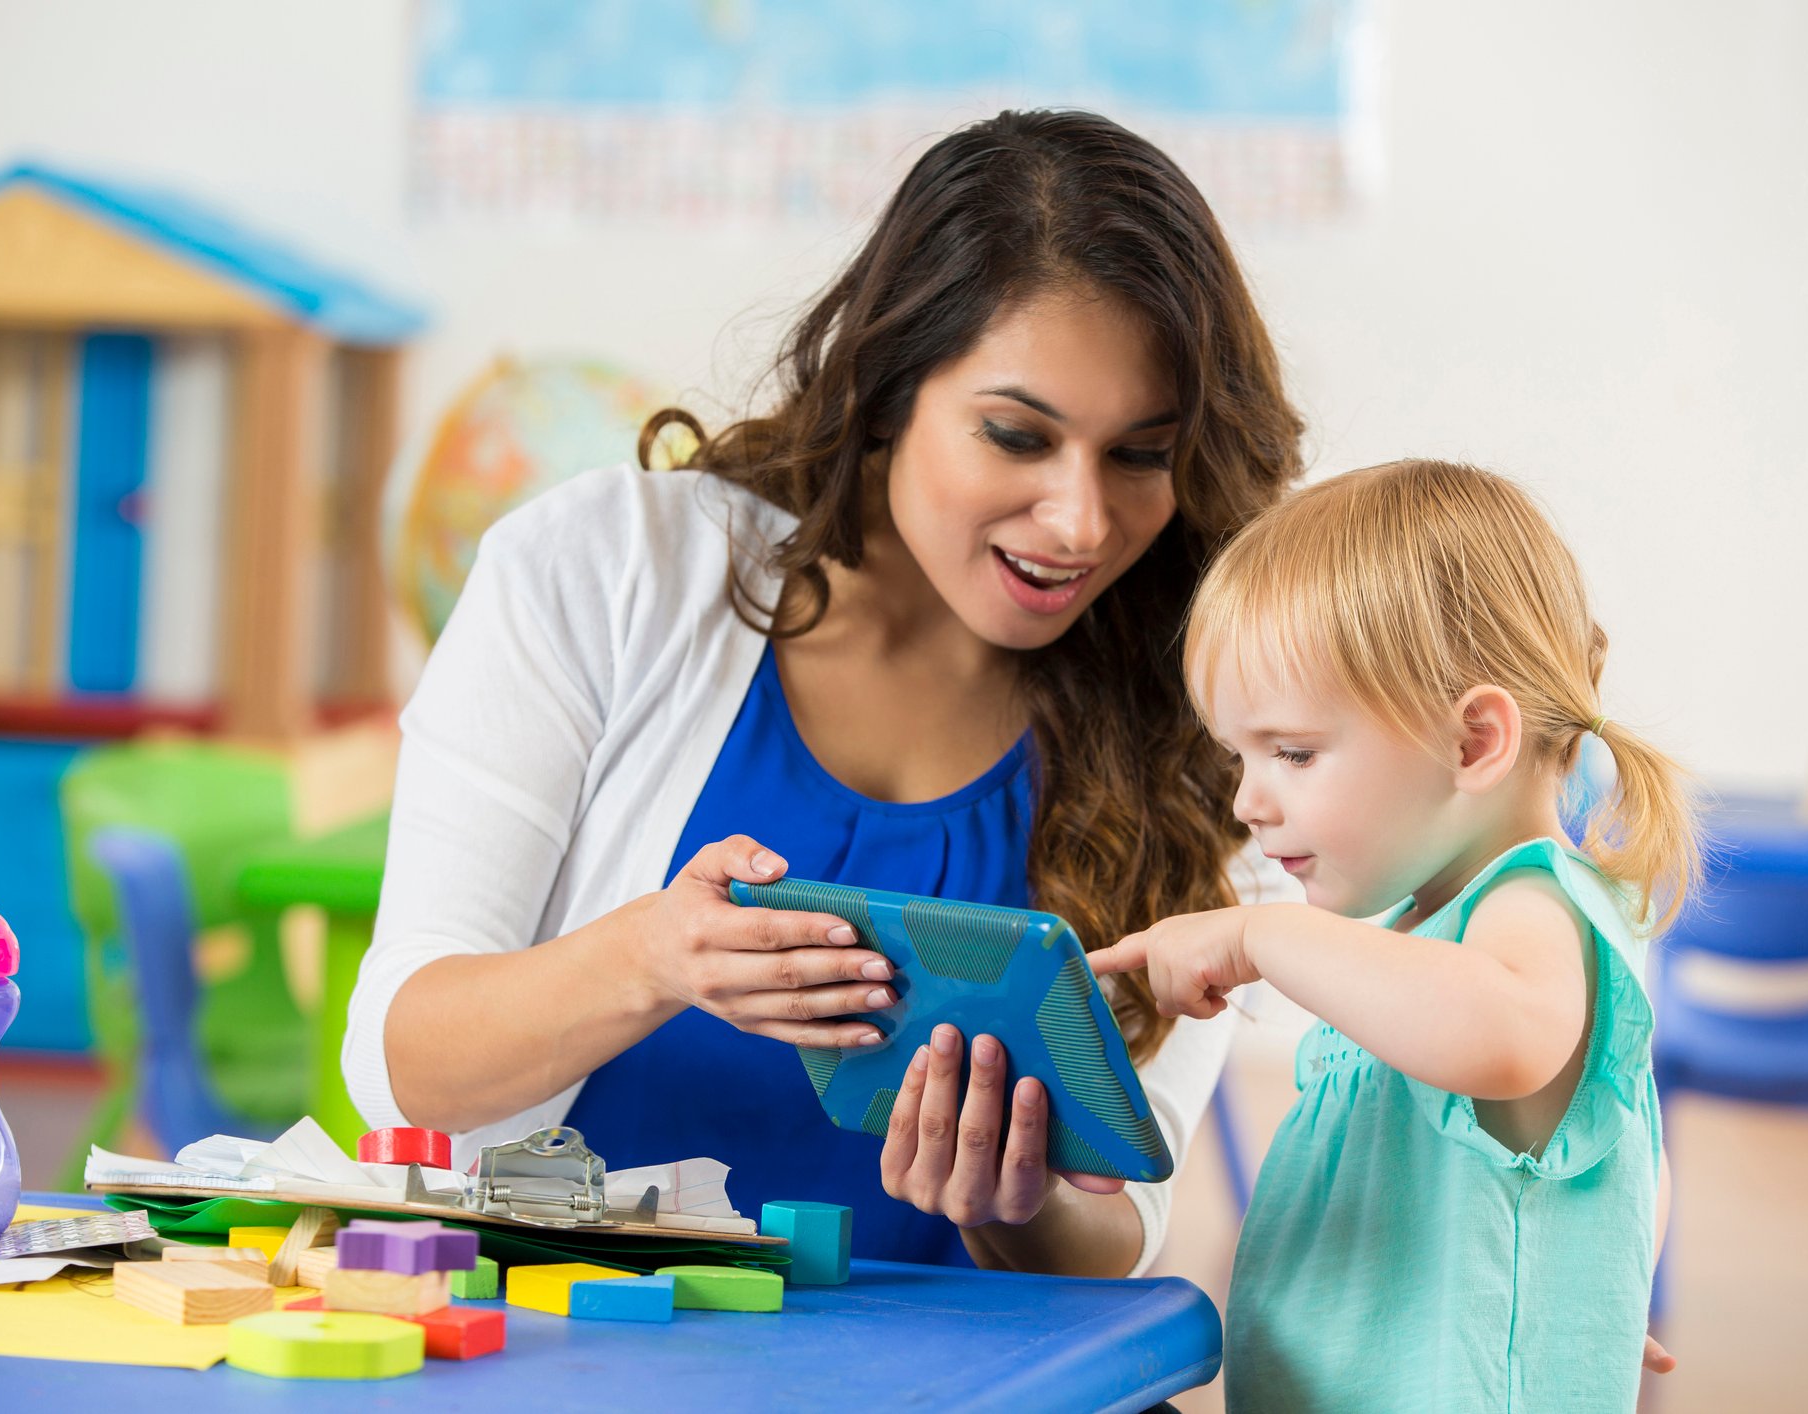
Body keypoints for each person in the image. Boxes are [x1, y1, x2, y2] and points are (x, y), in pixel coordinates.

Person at [344, 108, 1306, 1278]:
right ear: (892, 389)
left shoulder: (1212, 729)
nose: (1081, 521)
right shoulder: (603, 569)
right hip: (560, 1344)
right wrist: (652, 957)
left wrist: (1007, 1207)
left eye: (1142, 454)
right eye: (1016, 435)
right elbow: (402, 1060)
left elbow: (1123, 1227)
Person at [1093, 459, 1695, 1408]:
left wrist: (1258, 938)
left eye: (1291, 753)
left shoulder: (1532, 905)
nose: (1249, 801)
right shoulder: (1425, 937)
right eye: (1239, 756)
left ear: (1472, 744)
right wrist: (1596, 1271)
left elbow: (1503, 1033)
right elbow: (1630, 1144)